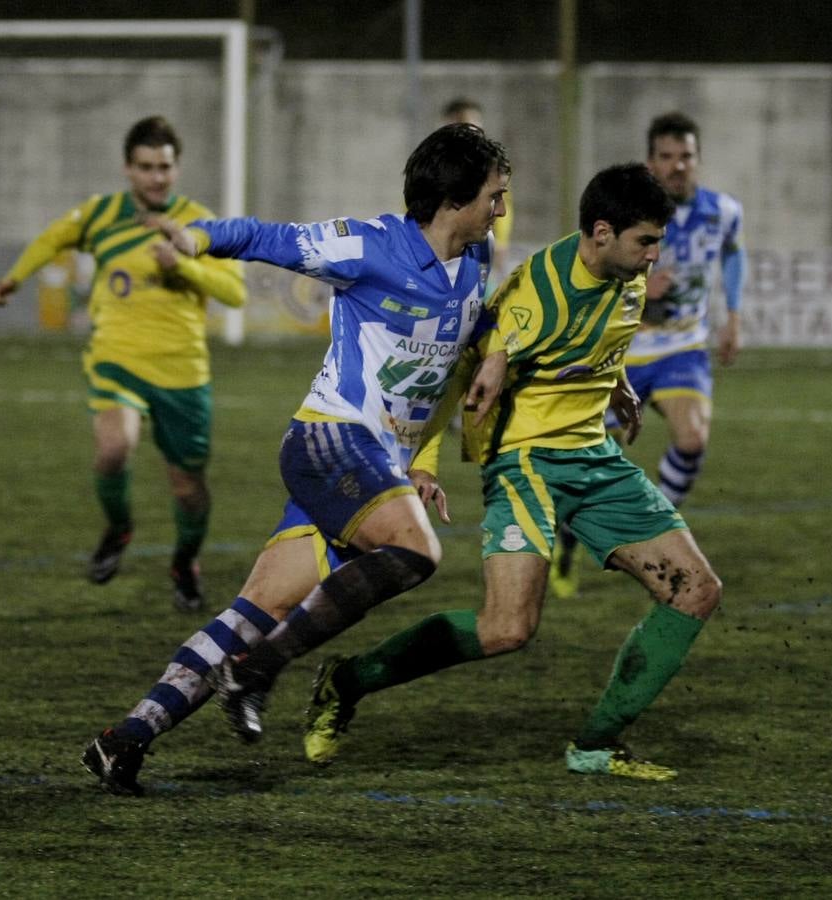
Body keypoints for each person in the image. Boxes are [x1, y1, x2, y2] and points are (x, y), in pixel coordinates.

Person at [80, 122, 511, 796]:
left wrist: (426, 455)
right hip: (329, 439)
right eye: (494, 196)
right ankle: (259, 671)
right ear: (456, 200)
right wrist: (195, 238)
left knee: (253, 610)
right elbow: (265, 238)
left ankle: (125, 738)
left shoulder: (475, 271)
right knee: (418, 551)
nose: (502, 210)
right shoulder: (370, 246)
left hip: (371, 469)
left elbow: (447, 370)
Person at [301, 163, 723, 782]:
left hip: (594, 459)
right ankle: (347, 679)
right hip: (525, 461)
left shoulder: (627, 276)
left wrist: (617, 384)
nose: (656, 256)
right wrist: (426, 458)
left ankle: (596, 746)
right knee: (507, 628)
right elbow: (476, 361)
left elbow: (595, 334)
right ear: (601, 233)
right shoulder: (536, 293)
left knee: (697, 589)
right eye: (646, 242)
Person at [0, 115, 247, 611]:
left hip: (182, 369)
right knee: (113, 448)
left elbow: (234, 293)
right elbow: (52, 239)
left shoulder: (198, 222)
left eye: (165, 167)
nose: (157, 177)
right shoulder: (100, 214)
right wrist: (15, 278)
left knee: (188, 486)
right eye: (146, 167)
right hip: (116, 357)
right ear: (128, 168)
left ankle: (184, 561)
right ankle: (119, 528)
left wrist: (185, 265)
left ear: (176, 169)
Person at [549, 111, 745, 600]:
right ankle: (568, 537)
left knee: (693, 437)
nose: (678, 166)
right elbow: (589, 272)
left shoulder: (723, 211)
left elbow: (733, 251)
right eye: (667, 157)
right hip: (624, 352)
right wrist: (638, 281)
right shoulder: (627, 218)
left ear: (698, 160)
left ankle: (650, 525)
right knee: (591, 462)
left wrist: (734, 314)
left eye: (687, 156)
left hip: (683, 347)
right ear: (650, 162)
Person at [440, 97, 513, 292]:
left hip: (476, 261)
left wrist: (500, 251)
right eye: (468, 125)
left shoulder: (492, 168)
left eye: (477, 125)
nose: (476, 131)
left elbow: (502, 215)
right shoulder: (432, 169)